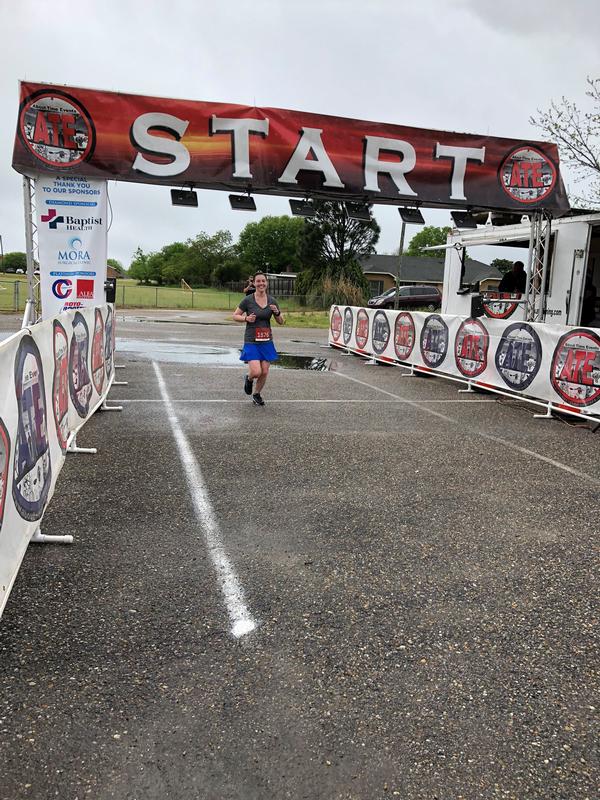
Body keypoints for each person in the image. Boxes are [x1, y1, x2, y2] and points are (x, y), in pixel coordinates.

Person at [233, 272, 284, 406]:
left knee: (265, 371)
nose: (261, 283)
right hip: (251, 340)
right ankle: (249, 378)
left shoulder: (272, 301)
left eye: (263, 281)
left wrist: (277, 313)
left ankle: (256, 394)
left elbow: (281, 321)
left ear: (266, 283)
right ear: (254, 283)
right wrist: (246, 318)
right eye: (258, 281)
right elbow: (235, 315)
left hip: (266, 340)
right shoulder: (248, 300)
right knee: (256, 371)